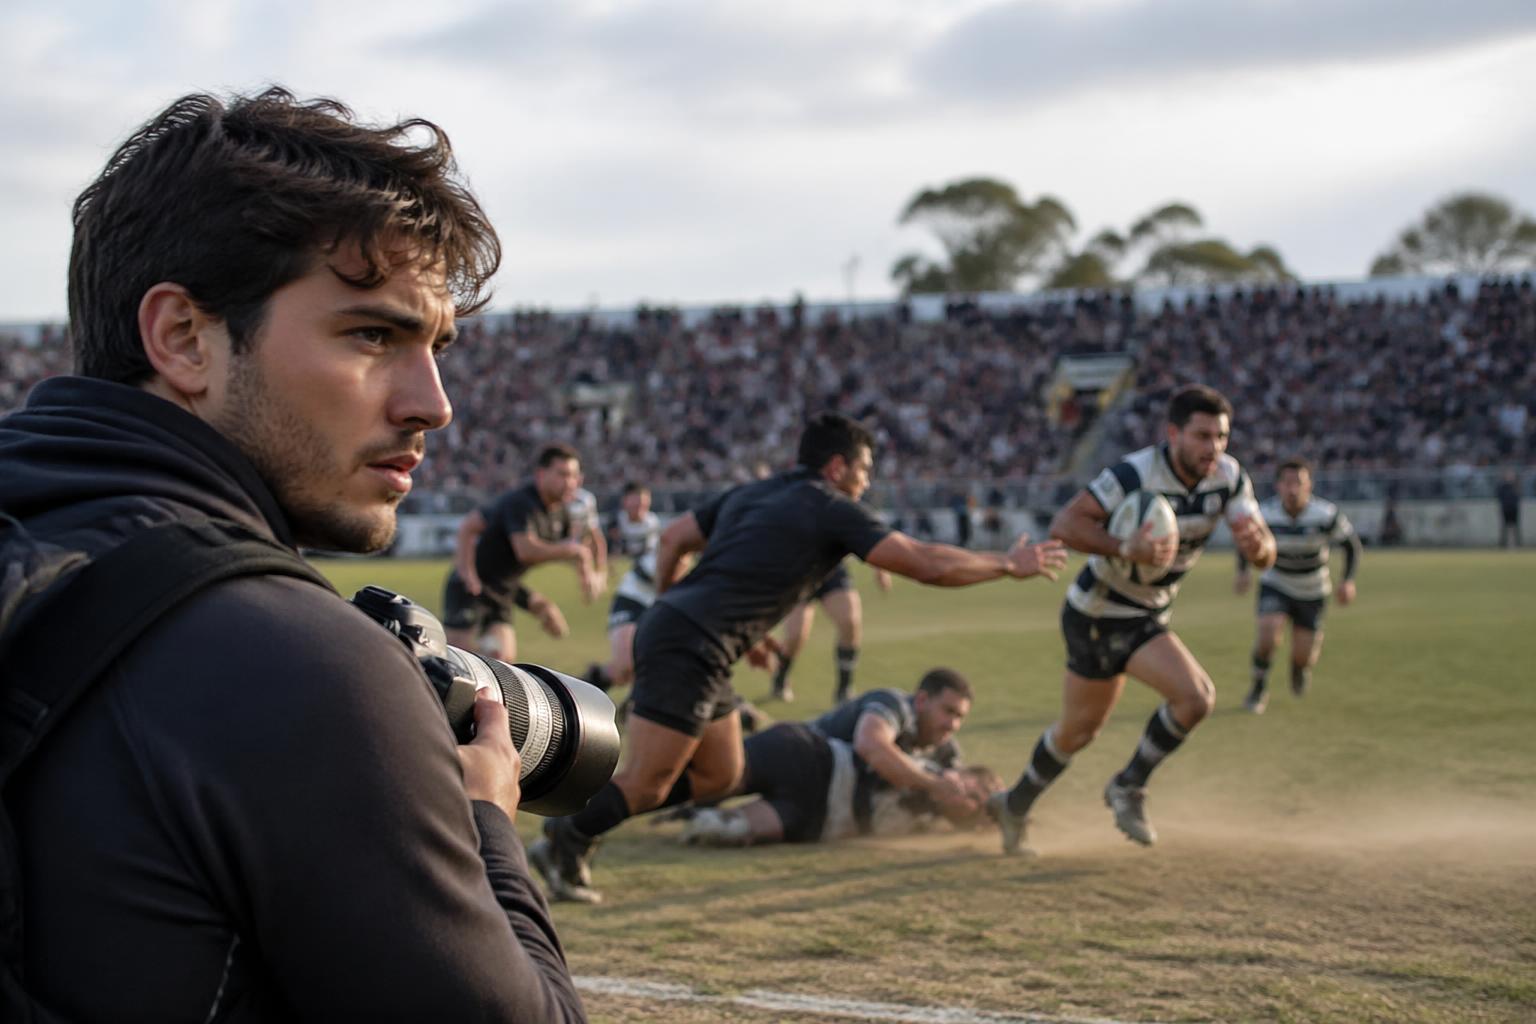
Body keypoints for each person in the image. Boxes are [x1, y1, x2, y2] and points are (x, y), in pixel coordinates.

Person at [0, 89, 584, 1019]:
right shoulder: (297, 666)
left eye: (435, 346)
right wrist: (484, 824)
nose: (433, 404)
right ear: (185, 338)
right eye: (372, 334)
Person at [531, 412, 1068, 902]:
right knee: (650, 780)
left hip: (693, 637)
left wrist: (687, 610)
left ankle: (575, 830)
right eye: (863, 472)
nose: (866, 484)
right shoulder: (831, 507)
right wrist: (1006, 563)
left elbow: (673, 540)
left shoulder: (754, 492)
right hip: (691, 644)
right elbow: (924, 563)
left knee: (722, 774)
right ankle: (566, 836)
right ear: (837, 468)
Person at [990, 384, 1276, 856]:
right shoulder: (1135, 473)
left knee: (1195, 698)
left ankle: (1125, 786)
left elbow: (1265, 552)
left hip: (1147, 614)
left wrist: (1258, 547)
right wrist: (1125, 548)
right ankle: (1015, 806)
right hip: (1098, 613)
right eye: (1202, 436)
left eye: (1221, 436)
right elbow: (1065, 524)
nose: (1214, 448)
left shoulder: (1228, 477)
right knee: (1077, 732)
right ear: (1173, 434)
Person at [441, 443, 596, 661]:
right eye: (562, 474)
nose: (570, 482)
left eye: (574, 476)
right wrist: (466, 571)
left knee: (504, 665)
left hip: (504, 590)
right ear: (541, 475)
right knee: (456, 665)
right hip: (472, 589)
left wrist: (586, 570)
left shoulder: (562, 513)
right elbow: (525, 550)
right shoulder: (521, 502)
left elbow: (573, 547)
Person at [1235, 457, 1362, 713]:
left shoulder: (1325, 514)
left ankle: (1299, 668)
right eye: (1287, 483)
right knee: (1268, 635)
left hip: (1312, 589)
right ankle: (1258, 688)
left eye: (1299, 483)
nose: (1293, 489)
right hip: (1276, 581)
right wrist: (1243, 571)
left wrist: (1347, 580)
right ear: (1278, 486)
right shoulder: (1265, 513)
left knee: (1303, 655)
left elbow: (1351, 545)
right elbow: (1247, 542)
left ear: (1309, 485)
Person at [769, 558, 893, 704]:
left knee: (850, 622)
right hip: (798, 571)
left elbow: (861, 535)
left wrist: (880, 568)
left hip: (831, 568)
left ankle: (844, 688)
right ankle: (781, 677)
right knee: (795, 636)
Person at [585, 481, 664, 694]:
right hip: (632, 598)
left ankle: (637, 707)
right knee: (625, 667)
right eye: (636, 502)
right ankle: (586, 687)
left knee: (653, 665)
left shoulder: (653, 526)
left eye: (644, 504)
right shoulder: (616, 522)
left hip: (657, 604)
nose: (640, 508)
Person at [1496, 470, 1521, 548]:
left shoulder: (1516, 486)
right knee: (1505, 526)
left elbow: (1518, 497)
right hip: (1505, 508)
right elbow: (1499, 496)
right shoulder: (1502, 486)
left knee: (1515, 526)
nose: (1510, 477)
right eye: (1508, 476)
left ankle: (1516, 544)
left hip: (1514, 508)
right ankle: (1503, 544)